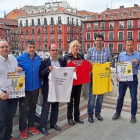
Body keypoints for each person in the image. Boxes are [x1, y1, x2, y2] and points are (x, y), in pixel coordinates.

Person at [17, 40, 42, 139]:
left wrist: (40, 85)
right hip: (24, 90)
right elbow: (12, 71)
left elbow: (39, 74)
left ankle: (30, 126)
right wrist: (16, 68)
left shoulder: (38, 58)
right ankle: (22, 129)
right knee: (23, 110)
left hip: (35, 89)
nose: (32, 49)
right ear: (26, 48)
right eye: (30, 47)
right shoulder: (19, 59)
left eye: (33, 47)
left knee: (32, 108)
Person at [112, 39, 140, 124]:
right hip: (123, 79)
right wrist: (118, 75)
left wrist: (137, 64)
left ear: (133, 45)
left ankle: (133, 115)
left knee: (133, 98)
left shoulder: (138, 55)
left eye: (131, 45)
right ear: (125, 45)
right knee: (120, 97)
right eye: (128, 45)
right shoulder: (121, 55)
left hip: (133, 79)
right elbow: (118, 66)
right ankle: (118, 113)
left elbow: (139, 67)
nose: (129, 47)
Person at [86, 34, 112, 123]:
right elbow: (86, 63)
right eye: (97, 40)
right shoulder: (90, 51)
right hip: (93, 77)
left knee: (100, 96)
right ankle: (90, 114)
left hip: (102, 77)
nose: (98, 42)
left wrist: (109, 64)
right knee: (92, 97)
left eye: (100, 40)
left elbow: (110, 61)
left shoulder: (107, 51)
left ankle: (98, 113)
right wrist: (89, 63)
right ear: (94, 41)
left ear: (103, 41)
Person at [0, 40, 22, 140]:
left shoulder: (13, 58)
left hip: (13, 93)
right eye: (2, 47)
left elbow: (15, 73)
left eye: (6, 46)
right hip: (3, 95)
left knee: (10, 118)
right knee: (1, 120)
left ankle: (8, 137)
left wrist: (18, 69)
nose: (5, 49)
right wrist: (0, 93)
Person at [39, 44, 63, 136]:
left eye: (56, 50)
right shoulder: (44, 62)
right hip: (47, 89)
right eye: (53, 50)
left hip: (58, 88)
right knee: (45, 108)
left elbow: (65, 72)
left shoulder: (61, 61)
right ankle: (42, 126)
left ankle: (53, 123)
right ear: (49, 51)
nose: (54, 52)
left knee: (55, 107)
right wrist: (47, 69)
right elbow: (41, 74)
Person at [63, 40, 84, 125]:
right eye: (73, 46)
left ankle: (77, 117)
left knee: (77, 100)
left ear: (78, 47)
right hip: (70, 82)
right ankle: (69, 118)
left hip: (78, 81)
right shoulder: (66, 57)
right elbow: (63, 69)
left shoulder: (81, 56)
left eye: (77, 46)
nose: (75, 48)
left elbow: (83, 67)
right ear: (70, 48)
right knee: (70, 101)